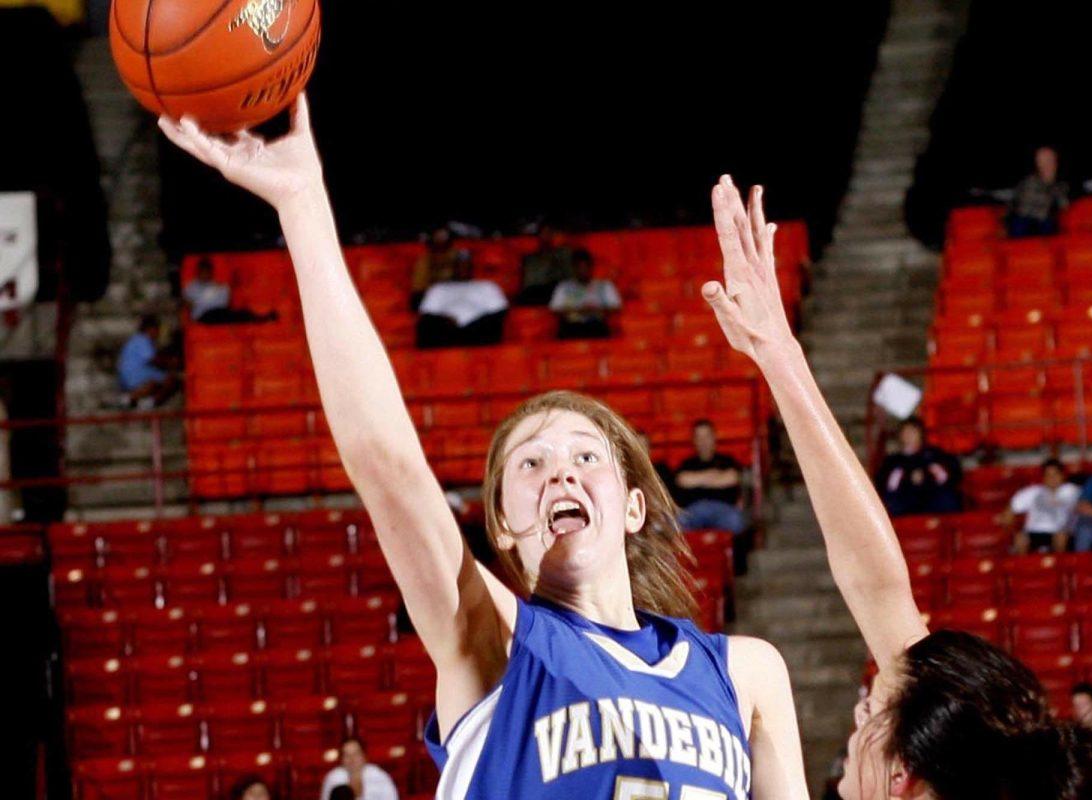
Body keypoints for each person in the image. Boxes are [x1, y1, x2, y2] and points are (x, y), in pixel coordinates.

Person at [161, 101, 808, 798]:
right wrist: (303, 205)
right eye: (530, 462)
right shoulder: (494, 642)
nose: (560, 467)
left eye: (587, 456)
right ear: (501, 523)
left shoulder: (746, 674)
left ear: (632, 507)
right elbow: (390, 469)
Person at [697, 176, 1092, 799]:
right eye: (870, 703)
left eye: (870, 710)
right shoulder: (932, 763)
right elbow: (877, 584)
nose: (859, 714)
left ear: (901, 780)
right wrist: (778, 353)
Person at [873, 416, 963, 516]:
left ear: (921, 434)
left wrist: (925, 476)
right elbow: (887, 485)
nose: (909, 436)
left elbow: (949, 477)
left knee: (948, 499)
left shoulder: (934, 455)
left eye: (913, 432)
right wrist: (908, 478)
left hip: (931, 499)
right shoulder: (893, 461)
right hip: (905, 501)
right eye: (905, 432)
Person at [674, 419, 748, 536]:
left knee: (736, 521)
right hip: (693, 511)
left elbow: (732, 478)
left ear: (714, 437)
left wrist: (697, 479)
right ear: (694, 440)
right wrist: (716, 476)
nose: (703, 441)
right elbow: (683, 480)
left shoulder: (727, 460)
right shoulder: (687, 463)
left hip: (724, 509)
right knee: (675, 524)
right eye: (699, 437)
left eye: (707, 436)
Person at [415, 256, 508, 348]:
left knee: (492, 324)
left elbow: (499, 311)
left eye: (465, 266)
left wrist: (474, 321)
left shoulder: (487, 286)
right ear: (453, 269)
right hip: (445, 330)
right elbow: (427, 313)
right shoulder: (438, 288)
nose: (462, 269)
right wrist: (446, 319)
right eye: (458, 266)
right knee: (428, 324)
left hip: (477, 330)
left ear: (471, 268)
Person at [999, 458, 1080, 555]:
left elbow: (1085, 508)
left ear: (1062, 475)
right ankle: (1024, 568)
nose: (1052, 478)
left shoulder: (1073, 491)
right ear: (1043, 477)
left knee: (1061, 538)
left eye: (1055, 474)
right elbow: (1010, 510)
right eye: (1048, 475)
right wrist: (1012, 529)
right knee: (1020, 539)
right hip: (1034, 532)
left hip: (1060, 533)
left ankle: (1061, 568)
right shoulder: (1032, 492)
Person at [549, 250, 622, 339]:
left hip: (596, 326)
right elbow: (555, 309)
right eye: (579, 267)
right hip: (571, 327)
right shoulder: (563, 287)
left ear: (591, 267)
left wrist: (596, 310)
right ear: (574, 268)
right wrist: (579, 310)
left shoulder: (605, 285)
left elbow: (616, 307)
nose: (583, 271)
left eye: (585, 267)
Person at [183, 257, 277, 324]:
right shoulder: (191, 287)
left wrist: (216, 294)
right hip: (203, 316)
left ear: (211, 272)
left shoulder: (218, 286)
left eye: (207, 272)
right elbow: (190, 306)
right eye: (203, 272)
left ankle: (262, 319)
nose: (205, 274)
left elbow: (225, 302)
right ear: (198, 272)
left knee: (241, 313)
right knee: (223, 315)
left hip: (220, 311)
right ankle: (260, 320)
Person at [116, 314, 180, 409]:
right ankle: (147, 402)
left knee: (155, 383)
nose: (158, 333)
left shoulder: (136, 340)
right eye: (157, 329)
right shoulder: (142, 340)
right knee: (171, 380)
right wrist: (170, 362)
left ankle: (134, 399)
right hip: (135, 375)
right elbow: (152, 359)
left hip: (128, 376)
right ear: (151, 329)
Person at [1007, 146, 1070, 238]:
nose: (1048, 165)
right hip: (1025, 222)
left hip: (1045, 225)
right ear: (1037, 164)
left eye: (1050, 161)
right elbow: (1027, 206)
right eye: (1043, 162)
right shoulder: (1029, 182)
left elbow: (1064, 205)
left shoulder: (1061, 185)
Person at [318, 738, 399, 800]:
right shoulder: (333, 778)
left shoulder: (379, 776)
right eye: (346, 755)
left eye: (356, 754)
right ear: (341, 759)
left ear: (364, 756)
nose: (352, 759)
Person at [410, 227, 468, 310]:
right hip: (432, 294)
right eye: (438, 236)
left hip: (454, 291)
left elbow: (464, 279)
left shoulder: (458, 254)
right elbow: (419, 287)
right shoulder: (425, 259)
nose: (441, 239)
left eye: (444, 236)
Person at [517, 224, 574, 305]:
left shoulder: (561, 254)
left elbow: (568, 277)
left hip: (553, 290)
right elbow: (527, 283)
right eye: (543, 233)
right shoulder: (530, 259)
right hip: (534, 292)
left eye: (548, 233)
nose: (546, 236)